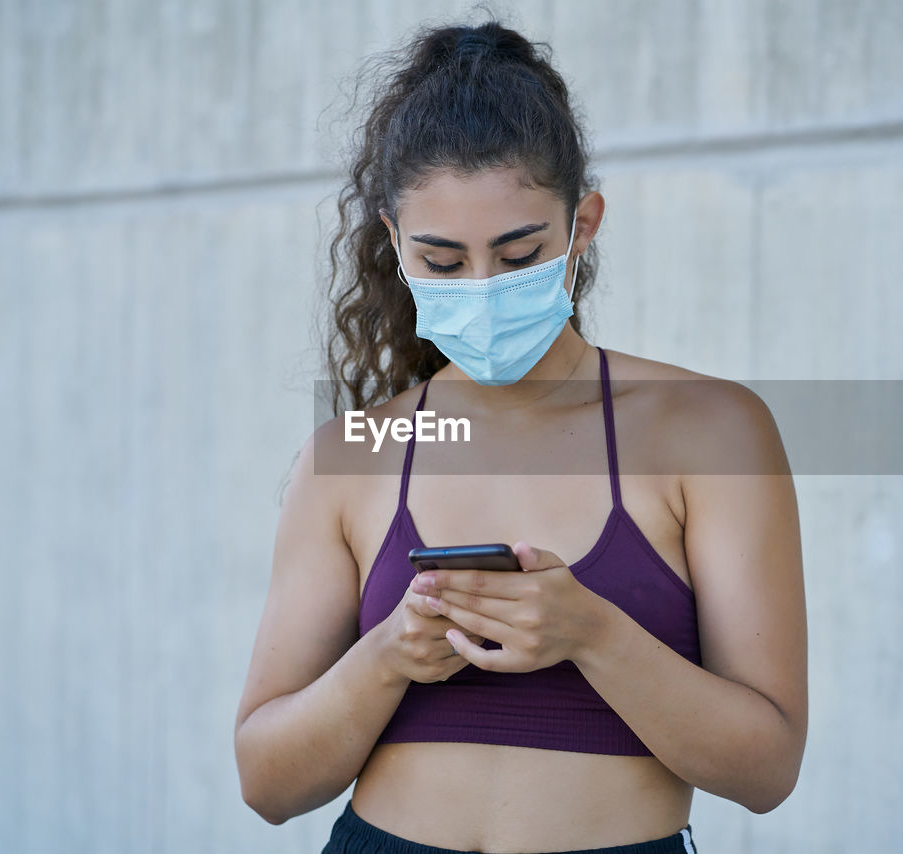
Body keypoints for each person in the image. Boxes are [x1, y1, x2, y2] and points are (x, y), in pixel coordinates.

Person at [234, 18, 807, 854]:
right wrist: (390, 654)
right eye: (442, 260)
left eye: (518, 254)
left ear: (583, 226)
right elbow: (266, 783)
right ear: (394, 242)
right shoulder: (350, 459)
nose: (483, 288)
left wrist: (592, 633)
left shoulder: (712, 431)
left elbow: (767, 772)